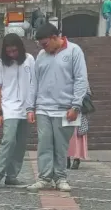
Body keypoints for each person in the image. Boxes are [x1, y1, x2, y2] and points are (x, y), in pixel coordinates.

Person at [27, 23, 89, 192]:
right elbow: (34, 82)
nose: (43, 48)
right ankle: (45, 177)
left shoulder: (74, 51)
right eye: (41, 45)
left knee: (61, 146)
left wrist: (76, 105)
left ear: (55, 38)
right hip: (43, 108)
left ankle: (60, 177)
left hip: (66, 108)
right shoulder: (41, 55)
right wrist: (30, 107)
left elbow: (81, 79)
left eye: (45, 44)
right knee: (44, 143)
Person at [0, 33, 35, 189]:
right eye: (9, 52)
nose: (12, 54)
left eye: (15, 51)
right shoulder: (0, 64)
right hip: (9, 108)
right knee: (8, 140)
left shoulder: (29, 60)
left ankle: (12, 176)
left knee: (21, 144)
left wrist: (33, 107)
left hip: (26, 107)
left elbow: (33, 83)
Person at [67, 90, 90, 169]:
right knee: (66, 134)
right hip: (65, 108)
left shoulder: (82, 78)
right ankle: (66, 157)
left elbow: (88, 93)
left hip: (79, 110)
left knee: (77, 135)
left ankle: (76, 158)